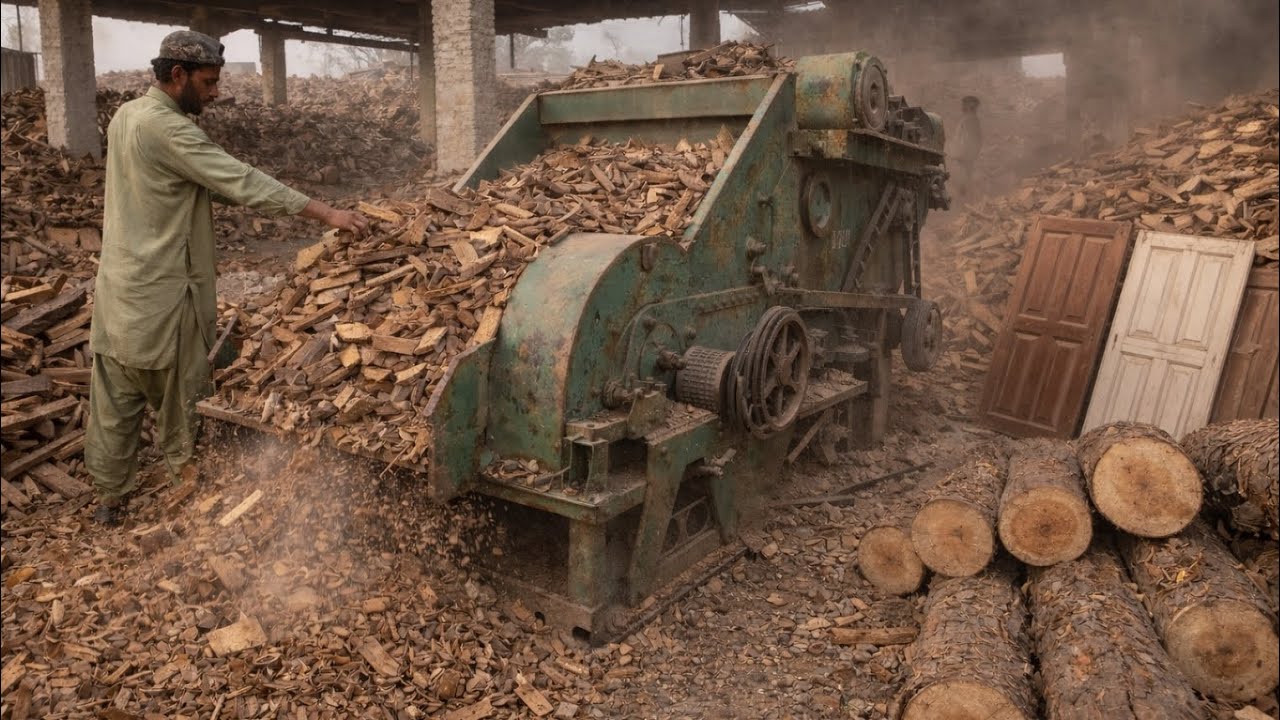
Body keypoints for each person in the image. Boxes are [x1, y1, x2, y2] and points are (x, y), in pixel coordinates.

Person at [86, 31, 368, 525]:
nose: (216, 93)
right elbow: (237, 179)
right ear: (178, 76)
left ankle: (109, 503)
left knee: (113, 405)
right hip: (166, 301)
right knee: (183, 406)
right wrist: (326, 213)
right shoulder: (172, 130)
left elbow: (173, 185)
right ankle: (192, 510)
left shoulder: (127, 116)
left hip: (116, 297)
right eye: (209, 82)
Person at [951, 95, 983, 202]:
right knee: (963, 179)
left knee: (965, 179)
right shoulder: (966, 120)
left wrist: (963, 154)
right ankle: (964, 202)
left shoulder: (971, 120)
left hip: (965, 156)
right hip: (963, 156)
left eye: (966, 104)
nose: (963, 106)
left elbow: (972, 140)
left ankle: (966, 203)